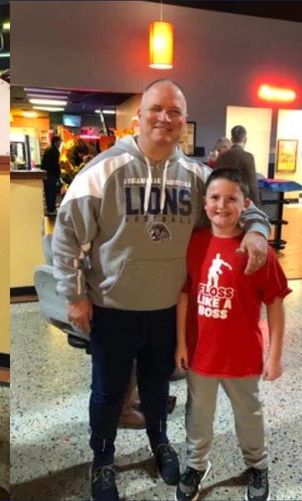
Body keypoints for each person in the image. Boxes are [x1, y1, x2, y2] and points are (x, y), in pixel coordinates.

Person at [52, 78, 272, 501]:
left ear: (184, 124)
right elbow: (66, 238)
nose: (165, 118)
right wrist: (75, 295)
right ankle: (103, 459)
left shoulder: (196, 175)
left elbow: (243, 206)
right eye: (157, 109)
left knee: (157, 388)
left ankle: (160, 442)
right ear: (139, 116)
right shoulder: (102, 170)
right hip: (111, 306)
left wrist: (258, 231)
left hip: (169, 310)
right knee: (108, 391)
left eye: (175, 112)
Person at [173, 169, 289, 501]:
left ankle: (257, 464)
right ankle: (196, 464)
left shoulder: (257, 250)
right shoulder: (195, 243)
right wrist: (182, 342)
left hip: (242, 356)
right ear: (205, 204)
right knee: (198, 415)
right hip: (201, 354)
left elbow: (275, 303)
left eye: (231, 199)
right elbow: (184, 294)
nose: (222, 205)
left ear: (246, 204)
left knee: (249, 415)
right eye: (214, 198)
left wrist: (275, 355)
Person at [214, 125, 262, 207]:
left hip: (224, 201)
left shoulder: (221, 157)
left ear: (232, 139)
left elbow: (215, 181)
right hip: (241, 203)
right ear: (245, 139)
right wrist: (257, 205)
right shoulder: (248, 157)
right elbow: (252, 185)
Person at [41, 136, 63, 215]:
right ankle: (52, 209)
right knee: (52, 192)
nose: (60, 143)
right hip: (52, 174)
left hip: (46, 174)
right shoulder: (55, 151)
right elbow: (55, 164)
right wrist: (59, 173)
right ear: (56, 142)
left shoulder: (47, 149)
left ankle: (49, 208)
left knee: (48, 192)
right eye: (60, 142)